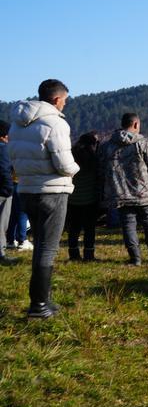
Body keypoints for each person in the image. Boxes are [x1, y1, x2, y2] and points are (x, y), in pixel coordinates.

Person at [8, 79, 80, 318]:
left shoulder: (17, 125)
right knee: (47, 248)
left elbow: (13, 156)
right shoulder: (55, 123)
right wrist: (75, 169)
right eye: (65, 100)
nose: (65, 105)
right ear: (57, 99)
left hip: (26, 188)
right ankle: (39, 304)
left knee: (39, 244)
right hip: (53, 190)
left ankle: (43, 299)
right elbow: (64, 164)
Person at [101, 113, 148, 265]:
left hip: (120, 193)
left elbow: (102, 169)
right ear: (136, 124)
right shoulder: (143, 143)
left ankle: (135, 258)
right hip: (144, 192)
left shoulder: (108, 145)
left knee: (128, 225)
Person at [66, 132, 100, 261]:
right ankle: (89, 254)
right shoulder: (94, 158)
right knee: (89, 228)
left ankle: (73, 253)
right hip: (90, 198)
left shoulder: (71, 156)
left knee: (74, 228)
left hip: (73, 198)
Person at [0, 120, 16, 265]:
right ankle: (1, 253)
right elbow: (5, 170)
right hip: (2, 191)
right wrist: (8, 190)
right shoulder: (3, 149)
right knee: (1, 223)